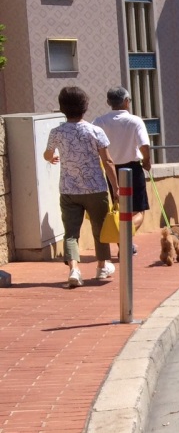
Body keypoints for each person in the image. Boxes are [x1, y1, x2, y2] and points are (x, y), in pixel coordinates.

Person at [43, 86, 119, 287]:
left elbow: (48, 154)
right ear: (85, 107)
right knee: (100, 229)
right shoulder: (95, 131)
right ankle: (102, 266)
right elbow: (108, 162)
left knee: (71, 232)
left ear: (62, 107)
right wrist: (116, 188)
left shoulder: (57, 132)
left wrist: (53, 158)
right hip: (96, 188)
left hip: (69, 189)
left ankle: (74, 270)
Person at [93, 86, 150, 255]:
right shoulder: (135, 121)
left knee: (119, 208)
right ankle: (125, 239)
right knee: (138, 210)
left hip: (111, 170)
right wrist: (147, 161)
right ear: (126, 101)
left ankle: (124, 243)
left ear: (108, 102)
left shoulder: (99, 121)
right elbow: (144, 145)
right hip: (132, 168)